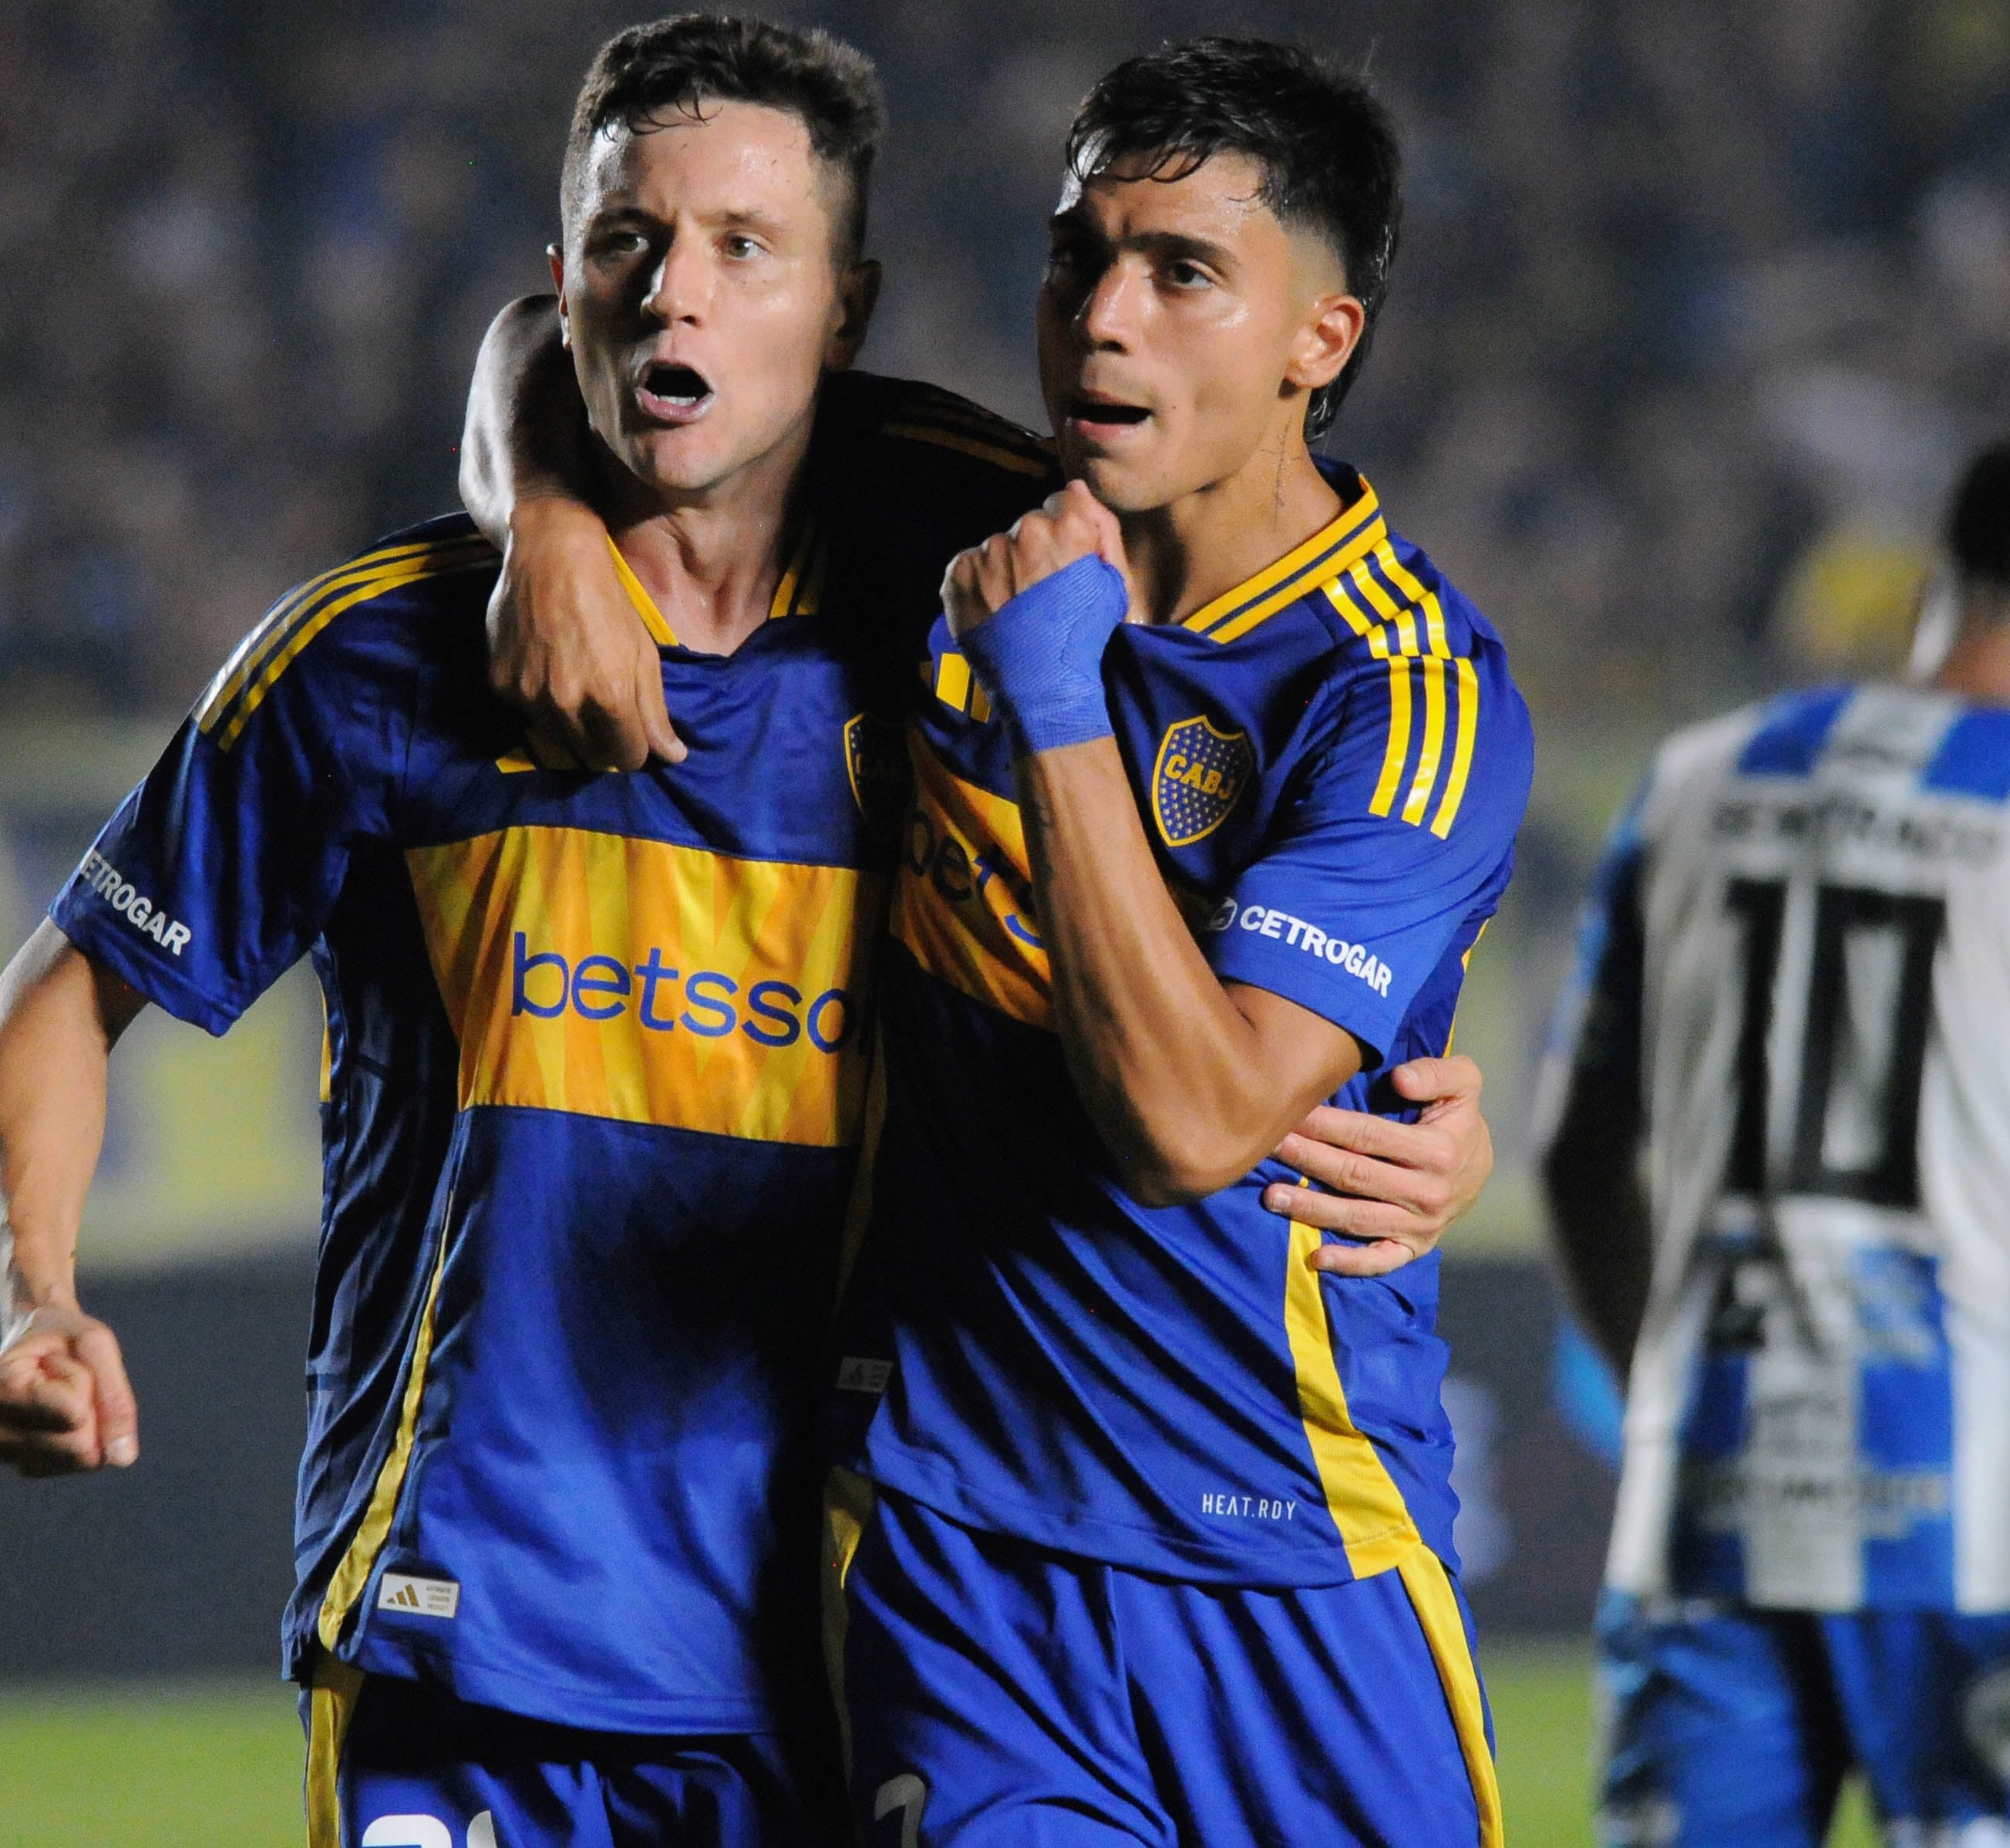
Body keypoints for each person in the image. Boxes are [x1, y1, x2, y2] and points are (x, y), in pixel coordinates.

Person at [0, 17, 1489, 1848]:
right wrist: (42, 1295)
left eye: (745, 251)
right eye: (631, 246)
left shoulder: (971, 560)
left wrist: (1400, 1093)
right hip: (477, 1627)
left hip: (821, 1632)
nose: (676, 299)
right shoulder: (377, 655)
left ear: (844, 310)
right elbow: (72, 986)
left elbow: (1190, 1047)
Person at [480, 35, 1536, 1846]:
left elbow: (1195, 1128)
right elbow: (583, 341)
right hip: (962, 1557)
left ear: (1319, 341)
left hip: (1290, 1555)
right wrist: (548, 520)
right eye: (1076, 256)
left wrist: (1052, 704)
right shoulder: (954, 514)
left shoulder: (1403, 693)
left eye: (1181, 272)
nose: (1100, 318)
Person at [1537, 443, 2010, 1848]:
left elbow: (1571, 1150)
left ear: (1946, 595)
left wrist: (1663, 1388)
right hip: (1983, 1526)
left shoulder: (1688, 785)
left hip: (1708, 1498)